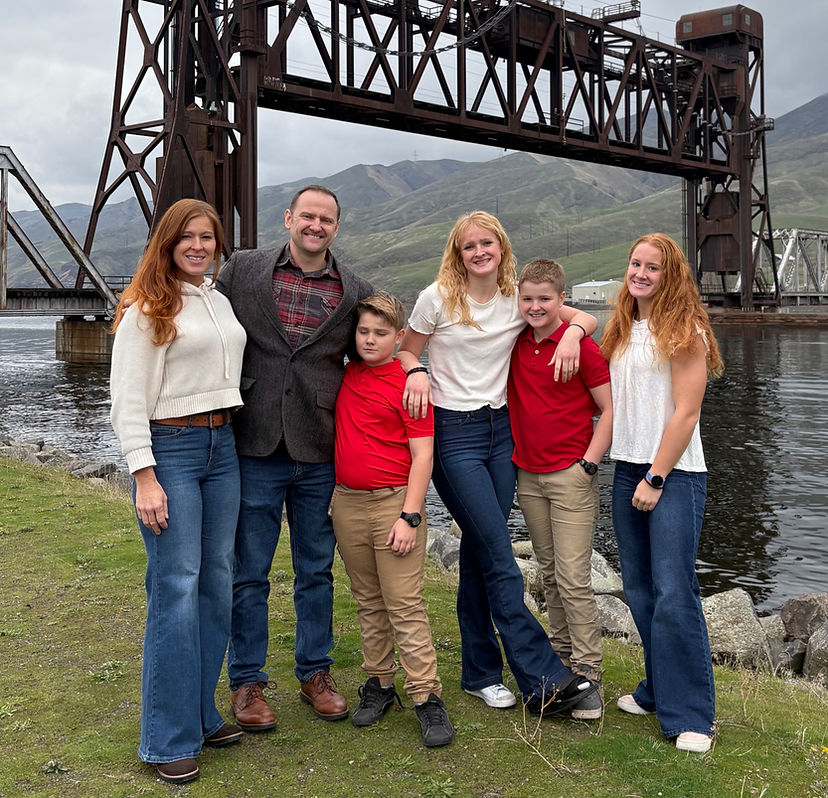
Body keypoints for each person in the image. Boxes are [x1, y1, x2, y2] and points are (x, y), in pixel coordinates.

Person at [398, 211, 600, 716]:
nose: (480, 251)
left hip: (500, 433)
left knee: (477, 554)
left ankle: (480, 673)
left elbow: (581, 317)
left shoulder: (517, 295)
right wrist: (417, 370)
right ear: (457, 252)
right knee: (500, 555)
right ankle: (543, 680)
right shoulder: (436, 297)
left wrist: (574, 335)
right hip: (454, 436)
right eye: (470, 246)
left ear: (501, 247)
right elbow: (404, 350)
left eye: (487, 242)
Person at [216, 185, 373, 729]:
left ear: (336, 227)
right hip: (254, 440)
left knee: (315, 569)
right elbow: (206, 322)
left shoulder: (356, 291)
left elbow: (373, 353)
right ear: (288, 218)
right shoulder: (242, 270)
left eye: (326, 219)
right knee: (249, 572)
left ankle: (315, 673)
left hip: (318, 446)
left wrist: (415, 369)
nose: (316, 225)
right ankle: (248, 683)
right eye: (308, 215)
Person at [110, 199, 247, 784]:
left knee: (217, 583)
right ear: (167, 243)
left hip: (224, 448)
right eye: (187, 237)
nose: (198, 246)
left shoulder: (217, 299)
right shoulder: (146, 307)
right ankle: (165, 740)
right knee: (176, 586)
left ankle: (198, 712)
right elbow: (127, 399)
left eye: (208, 238)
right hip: (172, 452)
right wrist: (144, 475)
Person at [600, 233, 723, 753]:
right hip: (627, 469)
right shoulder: (624, 326)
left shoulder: (685, 328)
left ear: (670, 275)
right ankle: (656, 689)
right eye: (634, 263)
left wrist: (655, 477)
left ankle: (692, 714)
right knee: (641, 591)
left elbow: (686, 413)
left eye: (653, 267)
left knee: (674, 592)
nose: (641, 273)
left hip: (670, 475)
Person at [331, 291, 454, 747]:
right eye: (363, 331)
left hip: (392, 503)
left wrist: (411, 515)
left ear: (399, 336)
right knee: (368, 600)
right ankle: (380, 685)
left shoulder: (410, 384)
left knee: (404, 603)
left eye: (381, 333)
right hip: (347, 502)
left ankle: (426, 698)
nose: (369, 339)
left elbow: (423, 456)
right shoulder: (346, 375)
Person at [506, 258, 612, 720]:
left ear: (561, 300)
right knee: (548, 573)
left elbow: (608, 411)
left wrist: (589, 464)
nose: (534, 306)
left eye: (544, 299)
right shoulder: (515, 343)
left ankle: (591, 675)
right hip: (527, 474)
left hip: (571, 474)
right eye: (526, 298)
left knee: (573, 577)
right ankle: (562, 661)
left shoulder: (583, 349)